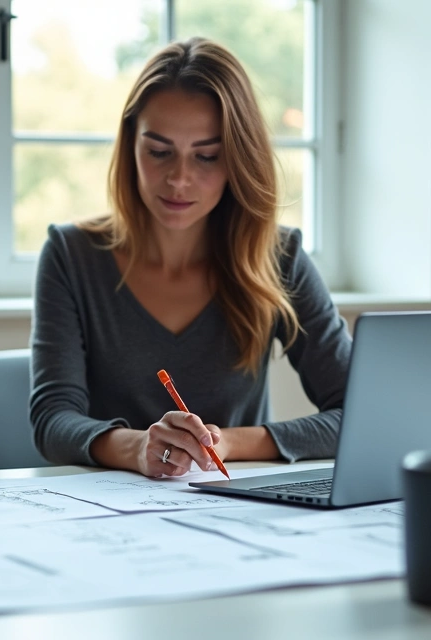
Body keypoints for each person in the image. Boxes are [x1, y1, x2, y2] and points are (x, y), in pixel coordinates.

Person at [30, 38, 350, 478]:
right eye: (159, 152)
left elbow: (359, 413)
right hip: (108, 515)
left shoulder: (280, 257)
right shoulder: (71, 255)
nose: (179, 179)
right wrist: (139, 447)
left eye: (207, 157)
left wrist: (226, 442)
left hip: (237, 507)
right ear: (130, 146)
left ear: (239, 158)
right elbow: (53, 421)